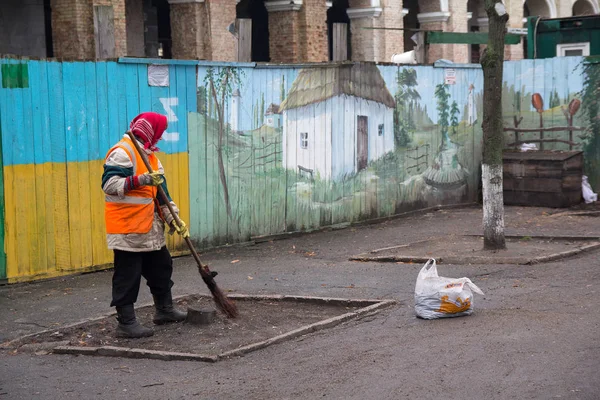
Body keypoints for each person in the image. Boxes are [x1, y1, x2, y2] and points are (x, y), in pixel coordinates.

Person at [102, 112, 189, 338]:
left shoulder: (150, 156)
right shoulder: (123, 152)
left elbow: (162, 195)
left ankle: (165, 310)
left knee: (162, 267)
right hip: (128, 228)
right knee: (127, 276)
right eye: (160, 132)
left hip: (150, 228)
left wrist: (174, 219)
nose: (161, 137)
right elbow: (109, 184)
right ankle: (126, 323)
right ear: (152, 130)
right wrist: (141, 180)